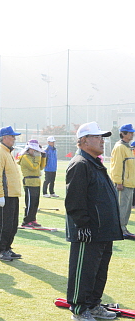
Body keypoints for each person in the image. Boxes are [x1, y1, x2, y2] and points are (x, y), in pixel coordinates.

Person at [65, 121, 122, 321]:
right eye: (97, 137)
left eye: (102, 137)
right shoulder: (80, 164)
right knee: (84, 271)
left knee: (99, 271)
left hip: (103, 230)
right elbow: (74, 200)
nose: (102, 141)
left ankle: (94, 305)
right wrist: (82, 225)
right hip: (88, 231)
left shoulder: (93, 163)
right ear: (83, 141)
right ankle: (79, 309)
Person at [0, 126, 22, 262]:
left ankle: (7, 247)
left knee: (12, 224)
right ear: (5, 137)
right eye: (12, 136)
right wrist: (0, 195)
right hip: (5, 195)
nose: (14, 139)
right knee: (4, 224)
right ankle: (1, 250)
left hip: (12, 194)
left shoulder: (7, 152)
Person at [110, 123, 135, 238]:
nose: (132, 134)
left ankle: (123, 228)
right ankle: (119, 229)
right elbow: (117, 165)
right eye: (129, 132)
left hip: (129, 183)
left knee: (126, 208)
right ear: (123, 134)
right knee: (122, 207)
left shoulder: (127, 147)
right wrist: (118, 181)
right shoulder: (120, 147)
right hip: (123, 184)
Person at [18, 139, 46, 227]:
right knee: (30, 203)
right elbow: (34, 167)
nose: (35, 151)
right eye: (33, 149)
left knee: (35, 203)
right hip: (29, 181)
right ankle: (26, 221)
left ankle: (33, 219)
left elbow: (41, 167)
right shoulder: (25, 157)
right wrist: (38, 157)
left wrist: (43, 157)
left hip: (36, 181)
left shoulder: (34, 157)